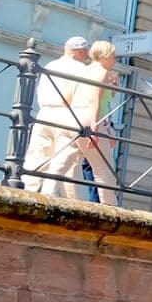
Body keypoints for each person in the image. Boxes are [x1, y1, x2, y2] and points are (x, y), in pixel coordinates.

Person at [26, 37, 101, 197]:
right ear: (80, 51)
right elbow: (86, 98)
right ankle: (67, 201)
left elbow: (40, 92)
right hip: (67, 114)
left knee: (37, 156)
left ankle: (28, 193)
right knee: (67, 162)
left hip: (44, 113)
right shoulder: (83, 70)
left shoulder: (51, 65)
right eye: (86, 52)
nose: (87, 56)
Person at [76, 40, 123, 204]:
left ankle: (69, 200)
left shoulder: (86, 71)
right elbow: (94, 101)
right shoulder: (101, 71)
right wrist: (94, 130)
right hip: (94, 120)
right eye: (113, 56)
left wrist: (113, 86)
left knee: (71, 164)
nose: (115, 59)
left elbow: (103, 100)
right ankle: (111, 210)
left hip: (78, 117)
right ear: (105, 55)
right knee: (105, 170)